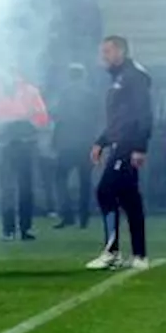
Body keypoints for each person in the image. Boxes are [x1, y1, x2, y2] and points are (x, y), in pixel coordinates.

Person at [85, 36, 153, 271]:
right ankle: (140, 254)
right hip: (119, 142)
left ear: (121, 51)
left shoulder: (133, 76)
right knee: (129, 198)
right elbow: (119, 118)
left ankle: (112, 252)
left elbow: (143, 113)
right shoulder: (121, 77)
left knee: (105, 191)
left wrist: (139, 146)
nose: (103, 57)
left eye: (107, 51)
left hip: (127, 144)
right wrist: (101, 141)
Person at [0, 69, 50, 242]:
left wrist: (28, 129)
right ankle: (8, 230)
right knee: (7, 190)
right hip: (3, 146)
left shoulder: (30, 92)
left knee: (26, 189)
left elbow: (42, 117)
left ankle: (26, 229)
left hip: (24, 144)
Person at [50, 64, 102, 230]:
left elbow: (59, 119)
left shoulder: (64, 94)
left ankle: (67, 215)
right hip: (86, 143)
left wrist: (54, 141)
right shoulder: (92, 95)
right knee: (85, 181)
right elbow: (98, 119)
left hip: (67, 144)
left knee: (60, 178)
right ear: (83, 76)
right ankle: (84, 217)